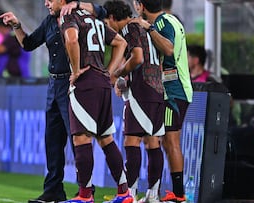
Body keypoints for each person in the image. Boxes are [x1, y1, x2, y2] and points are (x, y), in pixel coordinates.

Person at [0, 1, 107, 202]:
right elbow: (29, 44)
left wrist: (76, 3)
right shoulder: (49, 21)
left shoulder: (81, 14)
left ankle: (86, 190)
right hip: (54, 85)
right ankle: (53, 190)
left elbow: (103, 11)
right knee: (53, 141)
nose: (45, 3)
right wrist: (17, 26)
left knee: (78, 140)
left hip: (74, 82)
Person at [59, 0, 134, 202]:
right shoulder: (94, 19)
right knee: (105, 138)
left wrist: (75, 72)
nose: (47, 3)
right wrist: (108, 73)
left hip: (85, 82)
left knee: (81, 139)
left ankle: (85, 196)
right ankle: (124, 192)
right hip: (101, 82)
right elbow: (121, 42)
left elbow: (72, 39)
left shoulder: (68, 16)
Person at [103, 1, 165, 203]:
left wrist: (119, 75)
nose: (108, 27)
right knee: (152, 141)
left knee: (132, 140)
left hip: (142, 91)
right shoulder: (144, 27)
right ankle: (153, 195)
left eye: (107, 22)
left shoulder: (130, 28)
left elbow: (137, 58)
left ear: (112, 17)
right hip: (156, 88)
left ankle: (129, 193)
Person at [136, 0, 193, 202]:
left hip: (173, 92)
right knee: (166, 142)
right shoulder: (171, 20)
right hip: (175, 91)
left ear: (141, 5)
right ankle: (169, 193)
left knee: (170, 141)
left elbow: (168, 49)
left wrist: (149, 28)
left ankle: (178, 195)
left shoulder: (160, 23)